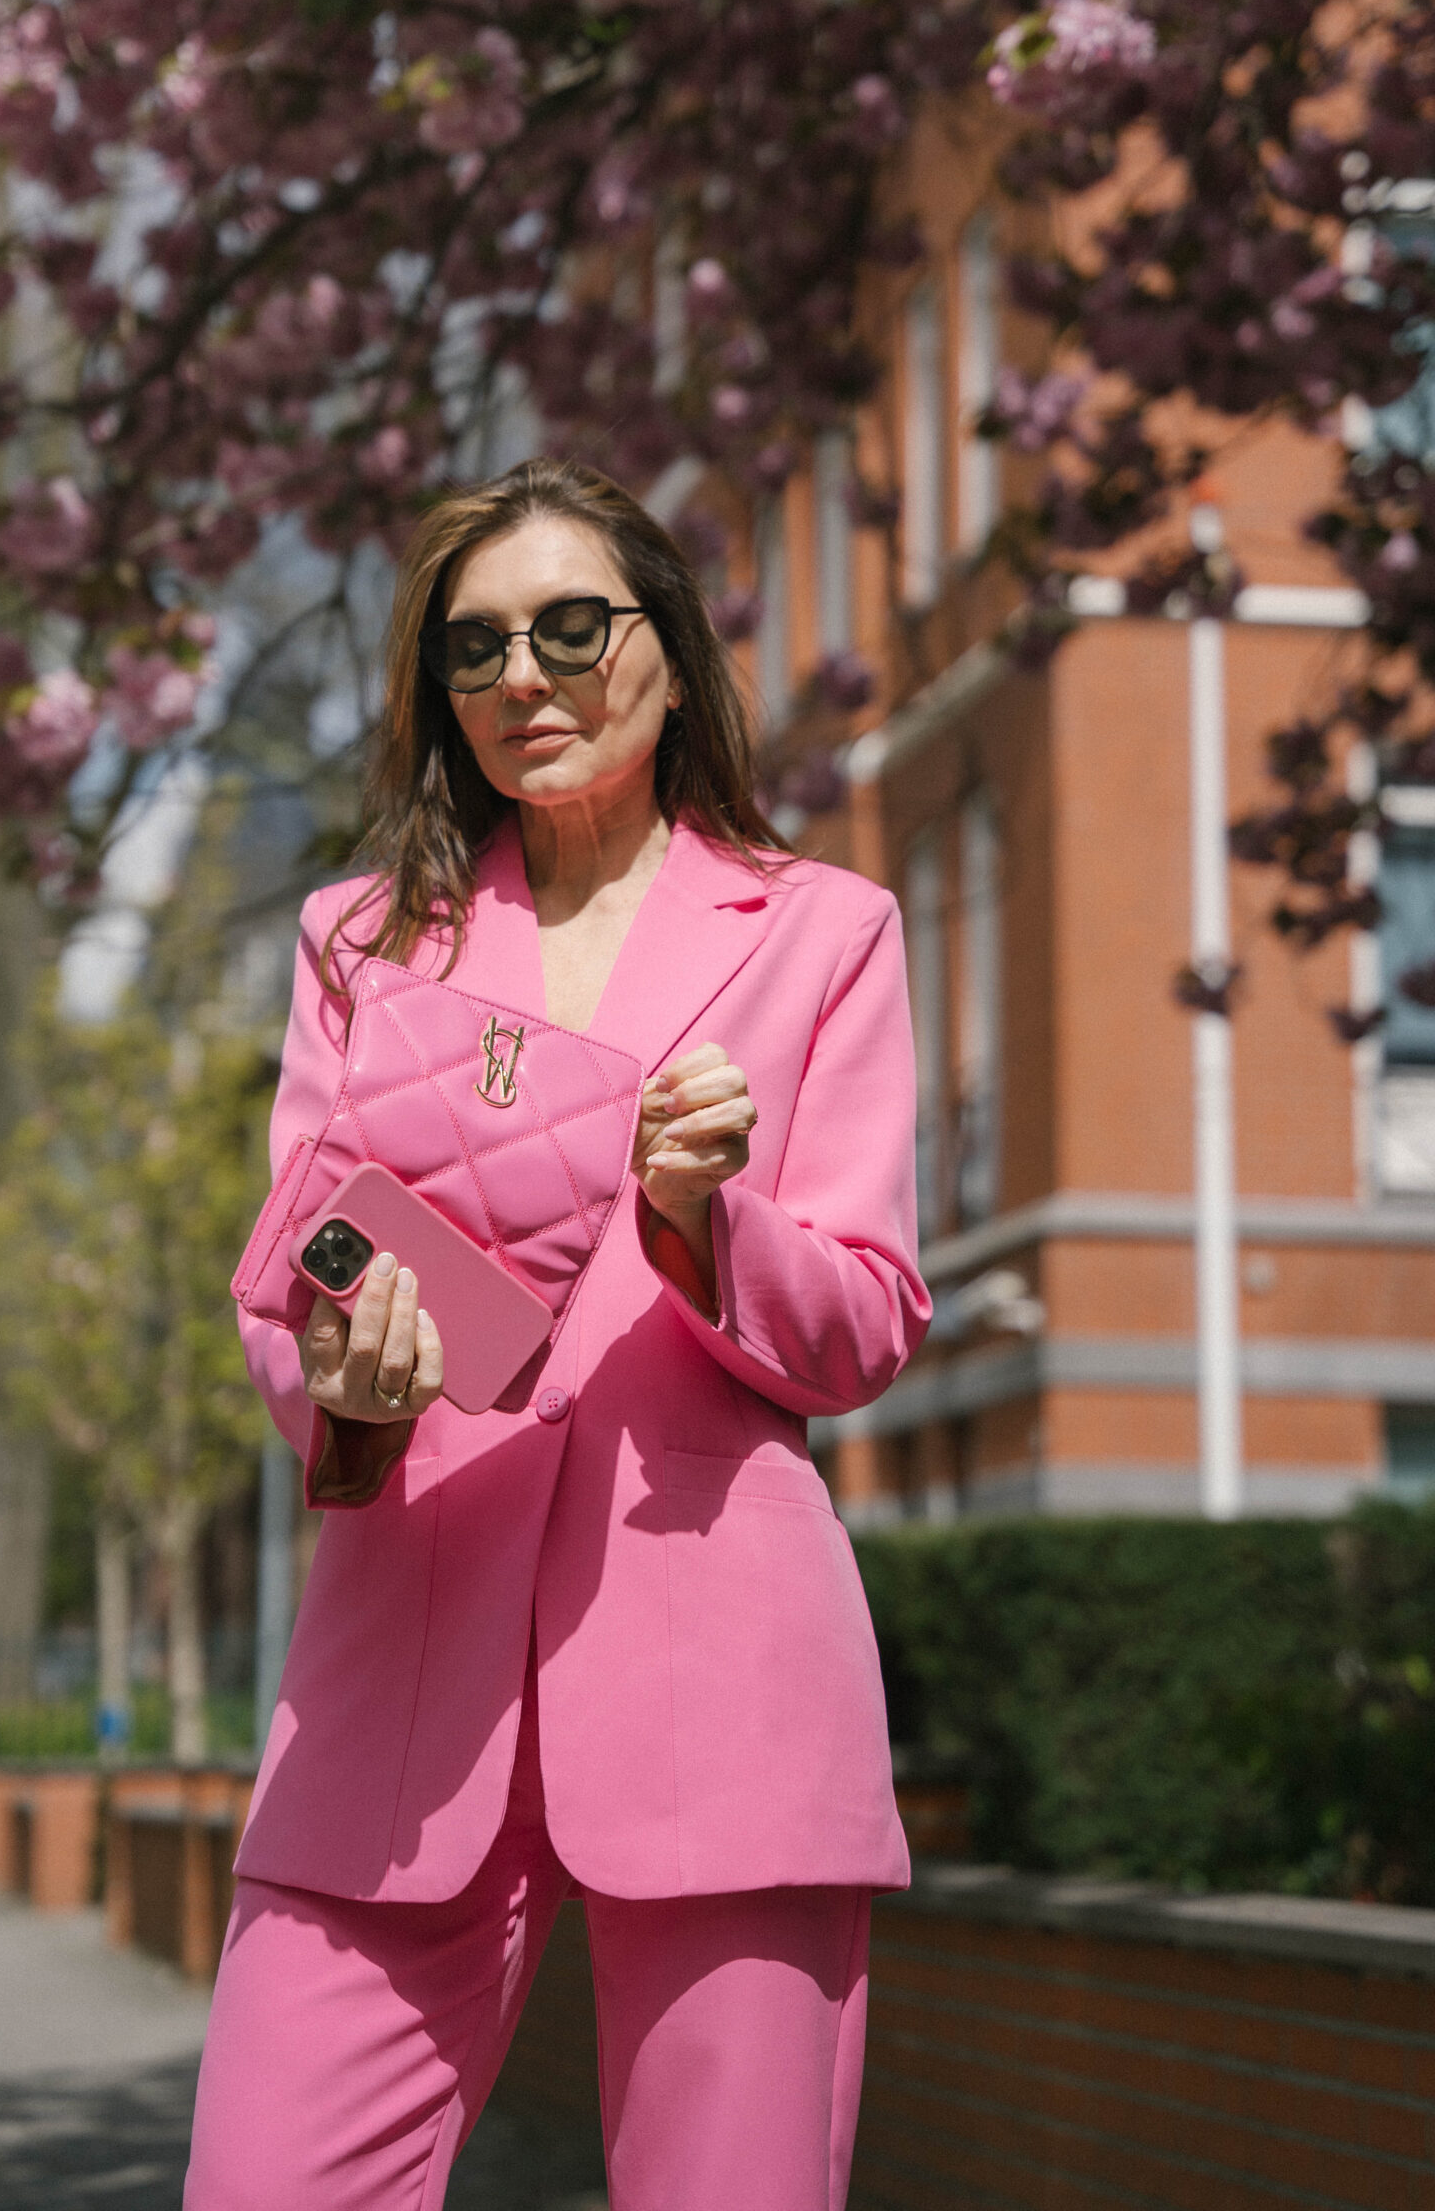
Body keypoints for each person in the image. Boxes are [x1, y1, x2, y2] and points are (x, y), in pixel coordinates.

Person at [185, 456, 931, 2211]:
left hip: (723, 1684)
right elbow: (294, 1278)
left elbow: (868, 1320)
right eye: (475, 648)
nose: (524, 675)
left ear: (671, 651)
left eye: (574, 626)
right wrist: (340, 1388)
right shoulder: (365, 943)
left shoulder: (823, 933)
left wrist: (704, 1224)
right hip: (397, 1687)